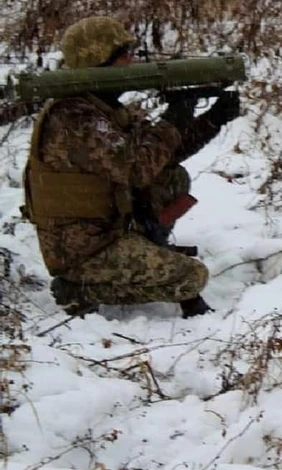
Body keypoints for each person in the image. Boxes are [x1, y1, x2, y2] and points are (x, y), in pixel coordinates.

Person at [20, 16, 240, 319]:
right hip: (83, 250)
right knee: (191, 277)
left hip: (109, 228)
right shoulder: (73, 117)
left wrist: (212, 119)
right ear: (99, 61)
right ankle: (79, 288)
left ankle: (148, 244)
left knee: (173, 178)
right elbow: (137, 168)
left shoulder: (105, 108)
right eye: (125, 55)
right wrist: (173, 118)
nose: (133, 62)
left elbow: (162, 155)